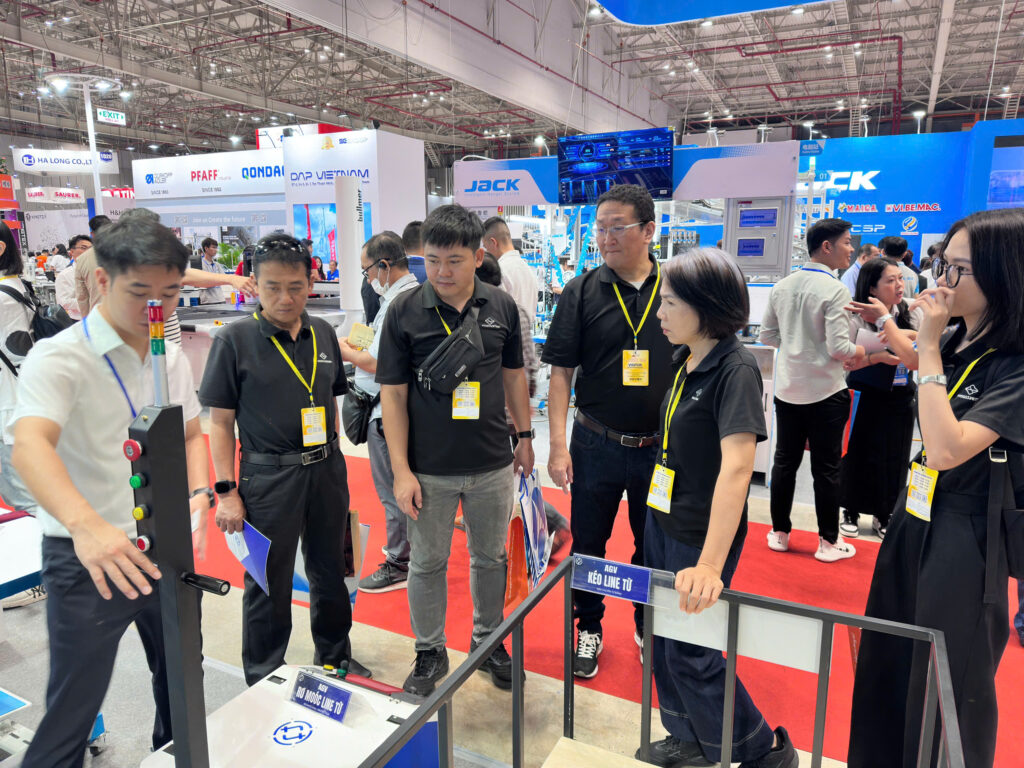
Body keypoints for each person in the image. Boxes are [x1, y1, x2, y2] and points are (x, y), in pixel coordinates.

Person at [10, 215, 211, 768]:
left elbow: (191, 434)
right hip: (89, 559)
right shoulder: (61, 356)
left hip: (165, 548)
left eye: (170, 293)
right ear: (103, 280)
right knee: (72, 710)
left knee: (182, 688)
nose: (157, 307)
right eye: (140, 292)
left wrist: (199, 494)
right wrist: (87, 527)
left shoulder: (168, 355)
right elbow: (29, 447)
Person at [848, 208, 1024, 768]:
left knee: (950, 684)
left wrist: (925, 347)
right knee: (889, 658)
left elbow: (947, 449)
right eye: (943, 265)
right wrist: (898, 328)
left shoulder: (1014, 363)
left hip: (967, 533)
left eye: (957, 269)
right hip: (917, 514)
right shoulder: (961, 336)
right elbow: (912, 354)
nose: (941, 281)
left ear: (1003, 272)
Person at [639, 248, 797, 768]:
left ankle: (762, 752)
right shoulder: (688, 358)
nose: (659, 313)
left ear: (705, 305)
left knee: (693, 649)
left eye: (669, 303)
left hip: (699, 534)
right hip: (664, 519)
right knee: (665, 638)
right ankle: (687, 736)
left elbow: (737, 469)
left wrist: (709, 563)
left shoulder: (735, 369)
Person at [376, 204, 533, 696]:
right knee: (427, 563)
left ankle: (488, 642)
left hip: (491, 462)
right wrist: (401, 470)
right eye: (432, 260)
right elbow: (393, 395)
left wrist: (525, 437)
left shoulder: (500, 306)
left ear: (478, 256)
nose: (442, 272)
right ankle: (429, 650)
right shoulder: (404, 311)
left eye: (455, 261)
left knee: (490, 559)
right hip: (428, 468)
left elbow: (514, 376)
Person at [199, 233, 366, 686]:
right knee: (266, 580)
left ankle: (335, 656)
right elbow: (220, 424)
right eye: (272, 287)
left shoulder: (323, 333)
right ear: (254, 284)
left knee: (331, 569)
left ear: (310, 283)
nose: (285, 298)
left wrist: (333, 456)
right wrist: (226, 491)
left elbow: (330, 400)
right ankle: (264, 673)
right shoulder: (233, 341)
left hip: (326, 471)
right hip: (267, 477)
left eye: (295, 286)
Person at [542, 184, 673, 678]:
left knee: (652, 543)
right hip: (595, 442)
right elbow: (561, 373)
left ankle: (645, 622)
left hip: (660, 450)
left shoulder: (677, 286)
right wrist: (558, 446)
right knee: (589, 543)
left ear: (648, 230)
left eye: (617, 227)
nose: (605, 238)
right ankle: (589, 625)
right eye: (600, 228)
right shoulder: (580, 291)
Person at [760, 218, 862, 562]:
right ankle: (828, 543)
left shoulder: (783, 285)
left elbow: (766, 335)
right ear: (827, 246)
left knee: (784, 462)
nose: (851, 249)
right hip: (826, 392)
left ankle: (779, 533)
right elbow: (839, 349)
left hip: (788, 390)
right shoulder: (835, 289)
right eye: (847, 242)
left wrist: (795, 347)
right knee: (827, 468)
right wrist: (865, 351)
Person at [476, 254, 571, 556]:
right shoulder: (508, 309)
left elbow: (522, 365)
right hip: (504, 413)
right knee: (511, 476)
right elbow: (529, 363)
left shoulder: (504, 311)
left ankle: (550, 525)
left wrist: (521, 418)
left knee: (510, 478)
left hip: (503, 414)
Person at [340, 232, 419, 594]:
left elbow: (376, 362)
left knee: (392, 490)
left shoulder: (398, 301)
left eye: (368, 270)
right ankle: (409, 555)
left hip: (385, 411)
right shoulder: (403, 297)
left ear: (384, 265)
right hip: (390, 408)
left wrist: (344, 351)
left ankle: (400, 561)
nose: (367, 278)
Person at [838, 259, 920, 540]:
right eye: (890, 280)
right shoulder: (855, 315)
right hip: (863, 391)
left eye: (900, 279)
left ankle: (884, 514)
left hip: (900, 394)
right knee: (857, 452)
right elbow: (847, 362)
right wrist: (879, 357)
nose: (899, 285)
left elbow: (921, 350)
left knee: (894, 455)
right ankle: (850, 510)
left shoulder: (909, 311)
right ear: (872, 287)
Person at [0, 222, 39, 518]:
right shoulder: (19, 284)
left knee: (22, 493)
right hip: (22, 389)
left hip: (8, 397)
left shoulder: (2, 295)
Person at [482, 216, 539, 317]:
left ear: (493, 242)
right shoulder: (528, 270)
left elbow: (495, 314)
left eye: (486, 247)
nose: (487, 252)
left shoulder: (500, 272)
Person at [74, 215, 112, 316]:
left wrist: (87, 321)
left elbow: (82, 297)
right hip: (126, 317)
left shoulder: (82, 260)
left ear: (92, 234)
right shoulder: (127, 252)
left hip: (98, 316)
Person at [56, 235, 92, 320]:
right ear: (72, 251)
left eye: (91, 249)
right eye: (83, 248)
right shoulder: (64, 275)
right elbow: (63, 301)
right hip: (77, 319)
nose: (88, 252)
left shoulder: (96, 271)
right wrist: (88, 302)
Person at [198, 237, 226, 303]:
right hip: (208, 301)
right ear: (206, 248)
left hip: (220, 299)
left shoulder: (217, 265)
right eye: (213, 247)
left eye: (216, 248)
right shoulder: (200, 264)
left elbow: (224, 279)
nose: (215, 250)